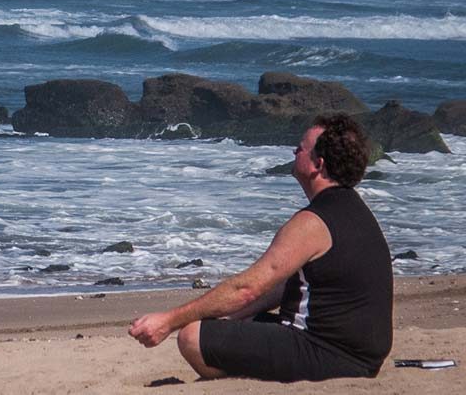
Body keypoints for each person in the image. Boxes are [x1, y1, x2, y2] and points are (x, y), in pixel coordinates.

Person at [129, 113, 393, 382]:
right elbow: (282, 287)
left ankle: (233, 381)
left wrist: (169, 321)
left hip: (327, 351)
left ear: (318, 164)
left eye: (301, 148)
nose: (294, 151)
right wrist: (233, 317)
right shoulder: (355, 211)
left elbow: (245, 289)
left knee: (192, 337)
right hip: (360, 356)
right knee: (228, 323)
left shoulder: (312, 223)